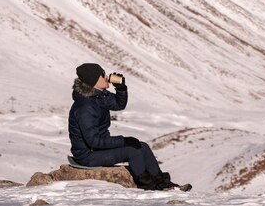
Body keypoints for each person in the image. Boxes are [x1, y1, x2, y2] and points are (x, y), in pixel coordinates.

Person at [68, 63, 187, 191]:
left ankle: (163, 183)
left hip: (97, 149)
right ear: (93, 81)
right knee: (132, 150)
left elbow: (119, 105)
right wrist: (123, 140)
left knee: (142, 146)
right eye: (103, 75)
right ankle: (149, 187)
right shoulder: (85, 107)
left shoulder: (99, 96)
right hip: (88, 155)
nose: (107, 77)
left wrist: (121, 89)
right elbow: (94, 141)